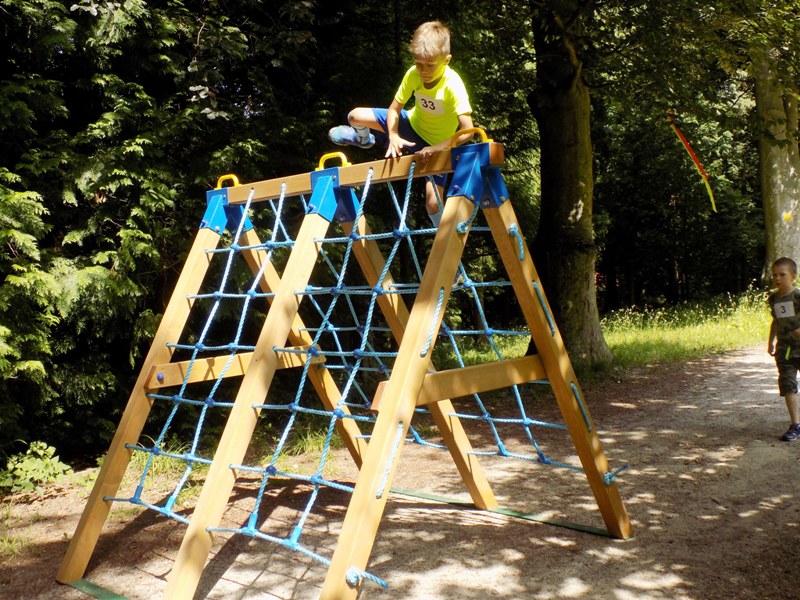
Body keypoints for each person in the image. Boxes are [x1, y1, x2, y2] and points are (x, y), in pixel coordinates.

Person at [328, 20, 474, 226]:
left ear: (446, 60)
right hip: (411, 126)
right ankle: (364, 139)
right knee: (355, 116)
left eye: (430, 65)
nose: (423, 70)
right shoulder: (413, 74)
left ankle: (443, 238)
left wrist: (436, 148)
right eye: (418, 63)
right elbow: (394, 110)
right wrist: (394, 134)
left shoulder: (453, 85)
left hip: (438, 145)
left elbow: (468, 131)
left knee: (433, 204)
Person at [767, 256, 800, 441]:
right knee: (788, 385)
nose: (777, 278)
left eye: (782, 274)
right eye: (774, 275)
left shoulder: (798, 297)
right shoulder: (773, 299)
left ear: (793, 276)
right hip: (784, 350)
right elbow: (775, 321)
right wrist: (771, 341)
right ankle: (796, 425)